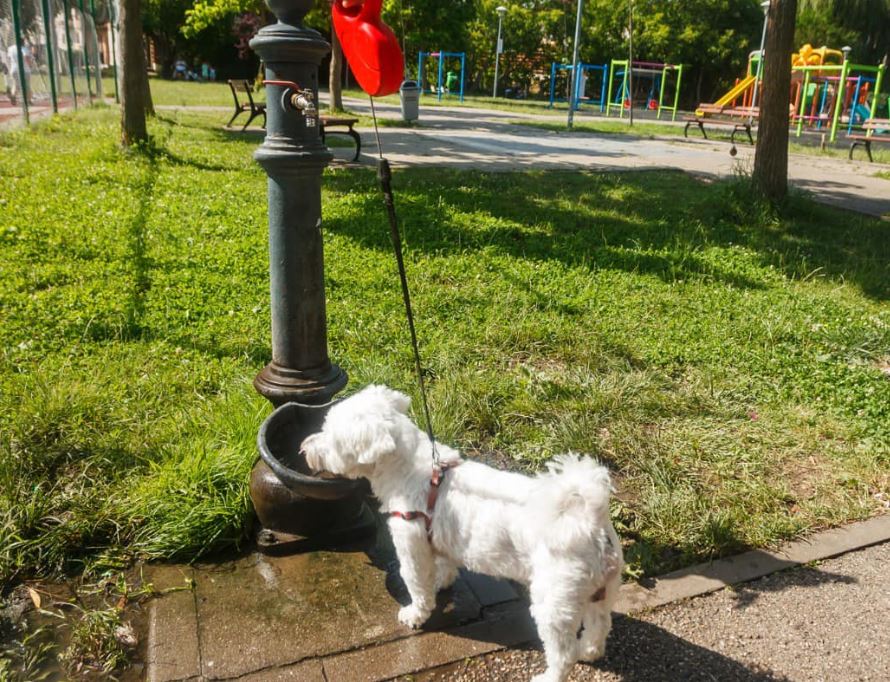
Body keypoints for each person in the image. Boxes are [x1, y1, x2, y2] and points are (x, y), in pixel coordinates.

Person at [6, 41, 32, 106]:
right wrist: (30, 65)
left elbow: (9, 58)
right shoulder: (23, 48)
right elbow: (26, 57)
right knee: (27, 86)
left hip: (14, 69)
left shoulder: (11, 48)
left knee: (16, 85)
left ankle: (13, 95)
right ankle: (28, 100)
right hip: (24, 70)